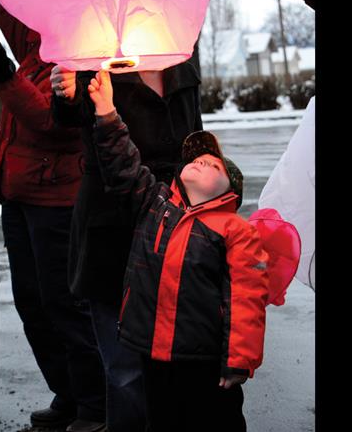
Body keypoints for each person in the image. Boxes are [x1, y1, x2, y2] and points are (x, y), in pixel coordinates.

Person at [86, 69, 269, 431]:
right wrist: (107, 112)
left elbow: (247, 299)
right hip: (155, 356)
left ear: (229, 191)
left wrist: (239, 359)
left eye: (212, 163)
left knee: (214, 422)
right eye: (195, 159)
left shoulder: (235, 230)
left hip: (204, 363)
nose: (200, 161)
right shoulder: (156, 205)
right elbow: (124, 165)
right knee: (163, 421)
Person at [50, 60, 202, 431]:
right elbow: (69, 115)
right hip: (110, 227)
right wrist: (67, 92)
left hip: (177, 223)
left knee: (181, 366)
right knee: (125, 372)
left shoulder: (181, 44)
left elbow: (194, 132)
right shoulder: (91, 45)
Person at [0, 4, 107, 432]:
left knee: (64, 304)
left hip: (57, 200)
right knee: (33, 304)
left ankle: (95, 405)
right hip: (17, 196)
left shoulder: (80, 50)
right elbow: (11, 5)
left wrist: (4, 75)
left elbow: (53, 122)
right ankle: (69, 392)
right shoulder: (34, 42)